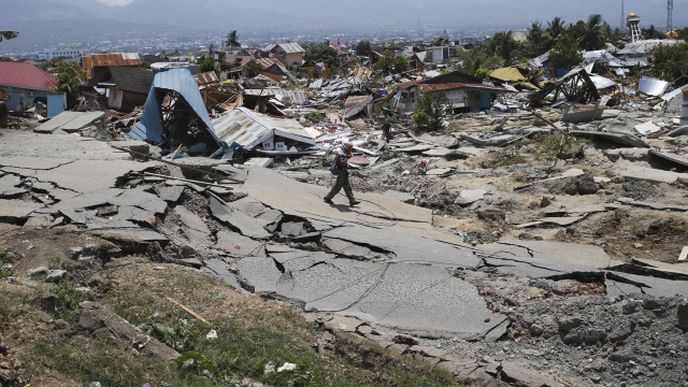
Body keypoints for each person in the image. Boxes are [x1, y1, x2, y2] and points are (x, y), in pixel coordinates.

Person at [324, 141, 360, 206]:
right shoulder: (341, 154)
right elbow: (342, 163)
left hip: (344, 172)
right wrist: (347, 158)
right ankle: (327, 198)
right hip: (341, 172)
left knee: (347, 187)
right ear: (346, 147)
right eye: (350, 148)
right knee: (338, 187)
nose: (351, 149)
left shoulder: (345, 152)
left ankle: (352, 200)